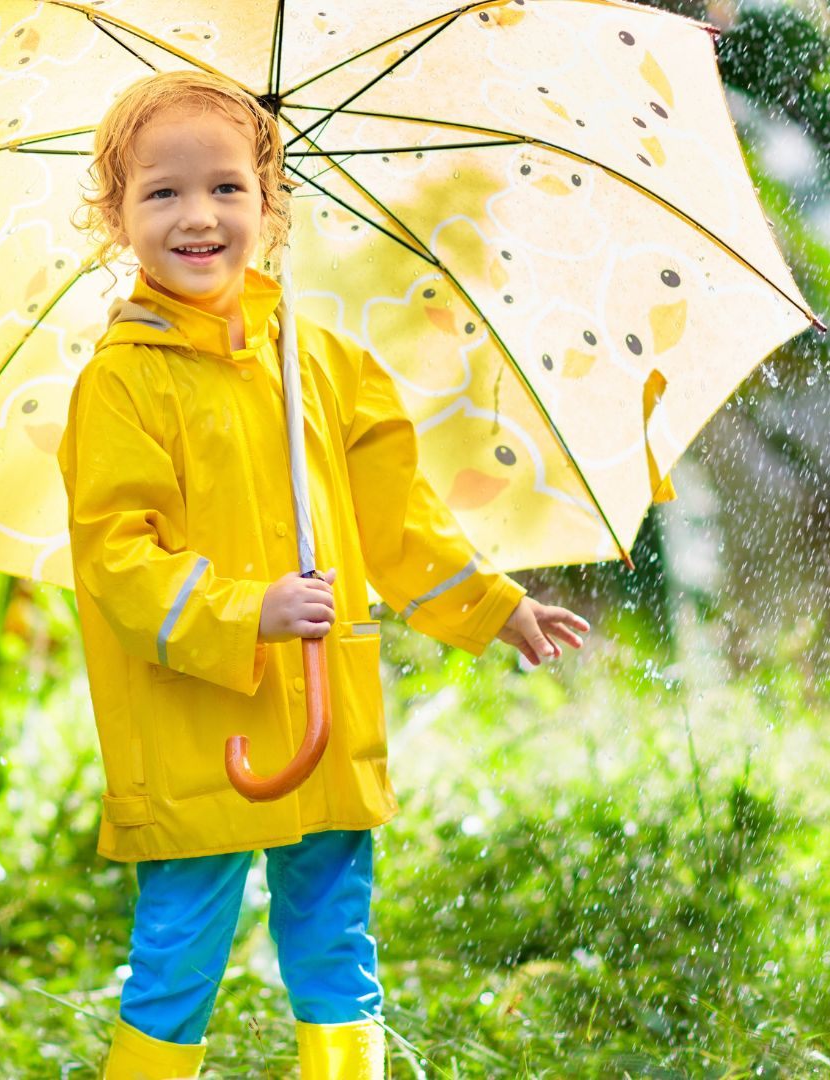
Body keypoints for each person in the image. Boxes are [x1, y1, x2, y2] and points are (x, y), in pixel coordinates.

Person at [57, 70, 589, 1080]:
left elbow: (401, 527)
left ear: (270, 202)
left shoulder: (329, 366)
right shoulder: (120, 382)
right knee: (177, 952)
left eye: (227, 188)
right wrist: (246, 609)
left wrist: (496, 606)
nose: (198, 215)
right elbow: (117, 556)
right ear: (115, 216)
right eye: (161, 193)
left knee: (337, 945)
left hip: (323, 717)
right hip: (195, 728)